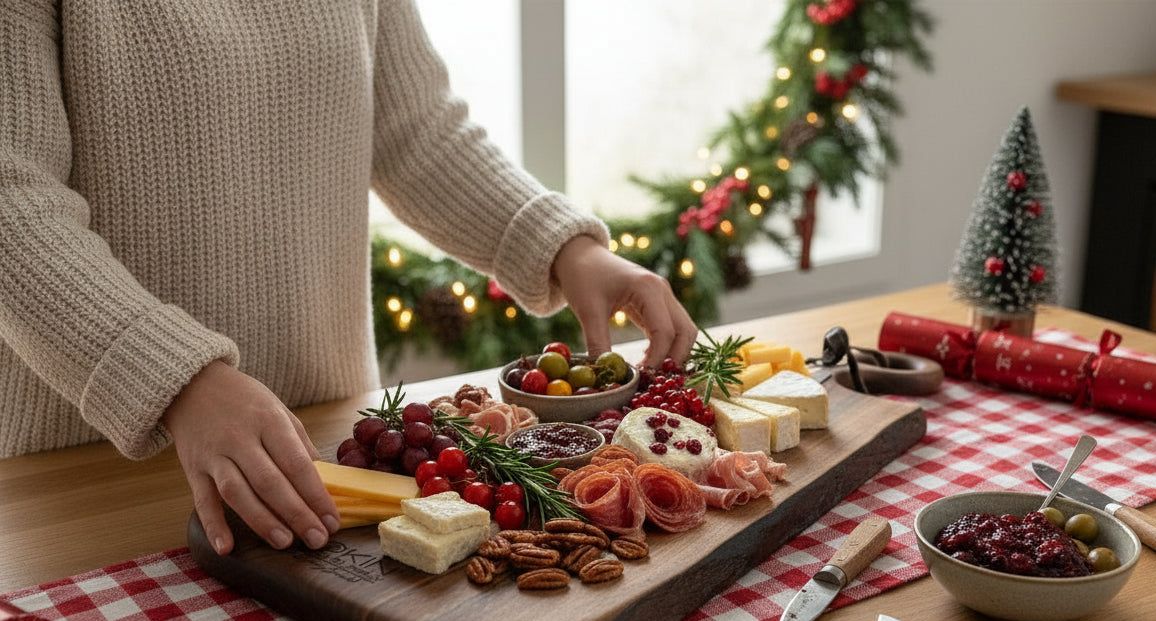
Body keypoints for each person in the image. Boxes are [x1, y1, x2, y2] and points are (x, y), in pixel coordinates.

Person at [0, 1, 698, 557]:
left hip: (331, 451)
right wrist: (179, 380)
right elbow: (10, 201)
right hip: (93, 478)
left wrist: (563, 247)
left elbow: (413, 130)